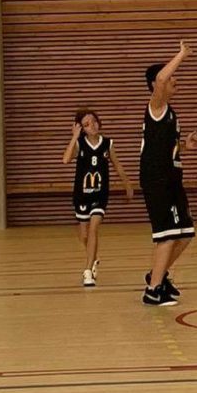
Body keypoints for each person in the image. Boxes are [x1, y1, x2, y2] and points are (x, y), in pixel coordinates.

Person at [140, 41, 197, 306]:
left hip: (172, 179)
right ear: (155, 85)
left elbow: (163, 147)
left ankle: (158, 274)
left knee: (185, 233)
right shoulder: (156, 106)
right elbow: (163, 78)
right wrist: (181, 55)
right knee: (167, 234)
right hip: (158, 179)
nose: (174, 79)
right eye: (169, 76)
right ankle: (153, 290)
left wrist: (184, 146)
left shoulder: (169, 113)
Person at [62, 109, 134, 286]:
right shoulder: (80, 144)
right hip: (81, 195)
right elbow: (65, 159)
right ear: (82, 129)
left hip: (100, 194)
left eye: (94, 121)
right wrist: (74, 137)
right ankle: (93, 256)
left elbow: (117, 166)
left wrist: (127, 185)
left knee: (94, 228)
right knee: (84, 235)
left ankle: (88, 271)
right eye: (86, 124)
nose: (92, 126)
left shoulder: (107, 144)